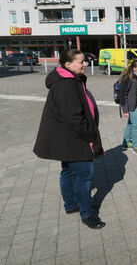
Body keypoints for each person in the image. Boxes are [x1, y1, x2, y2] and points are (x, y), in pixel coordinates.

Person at [33, 49, 105, 229]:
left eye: (84, 61)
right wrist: (91, 136)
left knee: (68, 171)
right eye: (81, 62)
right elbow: (74, 117)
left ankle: (71, 205)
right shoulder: (66, 84)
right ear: (68, 65)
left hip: (67, 138)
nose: (85, 64)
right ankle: (87, 213)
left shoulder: (71, 79)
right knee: (85, 175)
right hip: (75, 139)